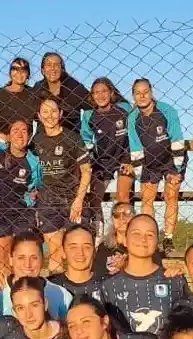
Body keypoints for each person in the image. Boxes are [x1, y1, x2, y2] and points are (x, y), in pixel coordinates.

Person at [98, 214, 182, 335]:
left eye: (150, 235)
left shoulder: (173, 280)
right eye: (136, 233)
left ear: (157, 241)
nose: (143, 239)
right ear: (125, 240)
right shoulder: (109, 286)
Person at [127, 79, 187, 250]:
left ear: (151, 92)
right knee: (147, 198)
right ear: (133, 96)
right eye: (138, 93)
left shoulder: (167, 110)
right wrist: (140, 175)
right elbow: (135, 147)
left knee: (171, 195)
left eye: (145, 91)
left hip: (170, 158)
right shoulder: (132, 119)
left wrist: (176, 169)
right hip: (148, 162)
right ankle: (150, 236)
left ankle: (168, 238)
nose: (142, 96)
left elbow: (176, 138)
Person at [33, 97, 91, 270]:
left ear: (61, 114)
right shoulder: (35, 142)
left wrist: (79, 200)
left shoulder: (72, 138)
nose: (49, 116)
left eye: (53, 111)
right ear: (39, 116)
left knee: (77, 250)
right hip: (47, 201)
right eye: (45, 112)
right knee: (55, 252)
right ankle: (58, 292)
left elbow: (86, 171)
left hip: (70, 199)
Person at [0, 120, 43, 267]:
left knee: (22, 256)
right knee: (3, 258)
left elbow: (36, 186)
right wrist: (0, 140)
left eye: (24, 131)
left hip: (22, 214)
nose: (20, 134)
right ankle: (5, 288)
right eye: (15, 130)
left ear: (29, 136)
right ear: (9, 136)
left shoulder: (33, 162)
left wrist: (31, 198)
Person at [79, 77, 133, 227]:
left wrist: (130, 158)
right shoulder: (89, 115)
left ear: (111, 93)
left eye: (104, 91)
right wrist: (89, 159)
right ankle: (98, 231)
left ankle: (123, 235)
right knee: (95, 198)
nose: (100, 95)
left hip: (124, 157)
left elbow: (135, 133)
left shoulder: (125, 109)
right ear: (92, 96)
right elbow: (86, 139)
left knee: (123, 197)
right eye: (96, 92)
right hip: (102, 161)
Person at [0, 231, 73, 319]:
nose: (27, 264)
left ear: (42, 259)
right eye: (21, 258)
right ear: (11, 260)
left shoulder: (60, 295)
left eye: (34, 258)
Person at [93, 201, 162, 276]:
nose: (122, 218)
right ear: (112, 219)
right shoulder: (104, 247)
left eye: (127, 214)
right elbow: (98, 276)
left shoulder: (145, 244)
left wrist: (125, 266)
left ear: (134, 218)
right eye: (116, 215)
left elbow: (156, 272)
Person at [33, 52, 89, 134]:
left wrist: (87, 132)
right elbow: (32, 115)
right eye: (48, 65)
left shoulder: (75, 87)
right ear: (43, 70)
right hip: (44, 138)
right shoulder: (38, 88)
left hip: (71, 137)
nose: (52, 68)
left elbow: (93, 108)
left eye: (56, 65)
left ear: (62, 69)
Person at [0, 57, 38, 140]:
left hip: (23, 142)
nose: (19, 72)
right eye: (15, 69)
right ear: (10, 74)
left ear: (28, 75)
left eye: (23, 69)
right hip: (0, 142)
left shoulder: (33, 94)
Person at [49, 223, 104, 299]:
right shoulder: (51, 287)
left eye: (87, 247)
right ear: (63, 251)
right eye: (73, 247)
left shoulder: (108, 285)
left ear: (94, 251)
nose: (80, 253)